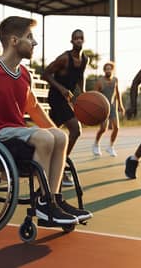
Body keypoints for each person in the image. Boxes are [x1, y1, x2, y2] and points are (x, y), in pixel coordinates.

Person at [0, 16, 92, 226]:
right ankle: (43, 204)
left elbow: (34, 108)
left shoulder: (24, 75)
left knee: (60, 136)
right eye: (29, 37)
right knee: (45, 138)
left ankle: (52, 201)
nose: (35, 42)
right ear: (13, 41)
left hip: (15, 133)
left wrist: (57, 137)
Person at [42, 29, 88, 186]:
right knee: (76, 130)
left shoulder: (84, 59)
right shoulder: (64, 58)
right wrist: (61, 88)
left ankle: (43, 161)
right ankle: (61, 166)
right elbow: (45, 74)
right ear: (71, 41)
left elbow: (81, 76)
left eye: (81, 38)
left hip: (66, 98)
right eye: (76, 38)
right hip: (56, 97)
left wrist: (82, 94)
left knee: (51, 130)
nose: (79, 40)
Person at [93, 62, 125, 156]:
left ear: (112, 70)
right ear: (104, 70)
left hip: (112, 106)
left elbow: (118, 93)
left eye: (110, 69)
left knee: (116, 127)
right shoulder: (100, 82)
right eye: (106, 69)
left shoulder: (115, 80)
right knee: (103, 128)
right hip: (103, 107)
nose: (108, 70)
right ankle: (96, 144)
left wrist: (120, 105)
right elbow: (95, 95)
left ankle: (110, 147)